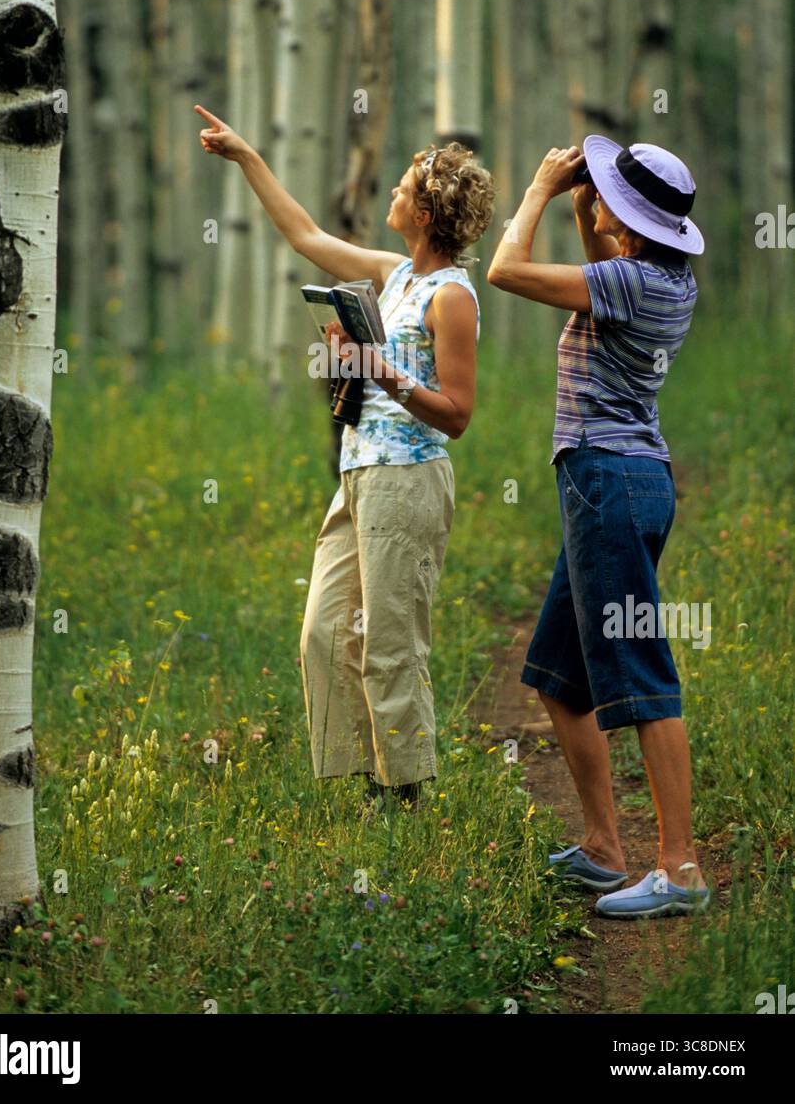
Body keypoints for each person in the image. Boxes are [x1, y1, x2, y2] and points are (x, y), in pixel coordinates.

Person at [195, 105, 494, 809]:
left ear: (426, 213)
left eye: (401, 189)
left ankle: (405, 795)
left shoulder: (451, 299)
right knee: (327, 635)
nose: (390, 193)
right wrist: (247, 156)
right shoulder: (395, 275)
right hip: (359, 476)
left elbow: (457, 415)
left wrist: (382, 370)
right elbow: (305, 235)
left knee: (391, 643)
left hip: (409, 480)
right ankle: (363, 779)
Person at [487, 136, 709, 918]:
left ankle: (679, 868)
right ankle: (604, 848)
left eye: (612, 198)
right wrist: (591, 211)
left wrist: (543, 190)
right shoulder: (663, 281)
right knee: (557, 675)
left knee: (642, 677)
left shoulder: (629, 280)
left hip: (608, 480)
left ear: (634, 222)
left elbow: (504, 271)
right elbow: (602, 284)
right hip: (621, 481)